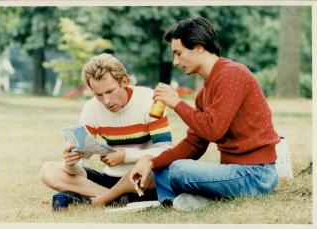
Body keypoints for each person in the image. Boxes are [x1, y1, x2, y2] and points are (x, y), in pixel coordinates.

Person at [129, 17, 280, 212]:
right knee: (163, 168)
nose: (175, 62)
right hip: (233, 172)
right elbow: (194, 144)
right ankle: (184, 202)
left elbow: (213, 130)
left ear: (199, 47)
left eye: (178, 53)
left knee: (179, 169)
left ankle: (199, 198)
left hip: (256, 174)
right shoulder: (204, 91)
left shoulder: (232, 74)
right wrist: (150, 161)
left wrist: (176, 103)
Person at [40, 53, 173, 206]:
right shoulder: (91, 108)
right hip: (110, 179)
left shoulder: (149, 100)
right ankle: (115, 199)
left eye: (110, 91)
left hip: (143, 177)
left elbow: (166, 151)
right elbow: (78, 168)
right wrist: (71, 162)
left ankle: (98, 199)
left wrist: (125, 156)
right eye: (99, 95)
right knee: (48, 171)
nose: (106, 101)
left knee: (158, 170)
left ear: (124, 81)